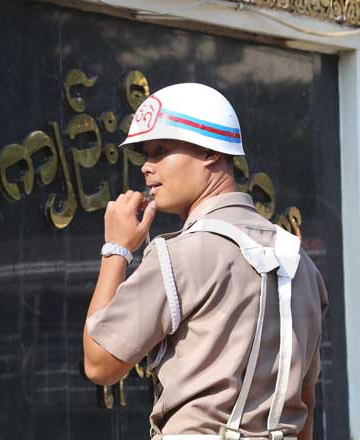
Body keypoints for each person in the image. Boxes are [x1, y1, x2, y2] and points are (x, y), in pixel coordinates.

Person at [82, 83, 328, 440]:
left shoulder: (180, 253)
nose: (147, 168)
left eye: (161, 151)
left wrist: (116, 249)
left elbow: (99, 363)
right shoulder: (302, 264)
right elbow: (304, 406)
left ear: (210, 152)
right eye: (145, 155)